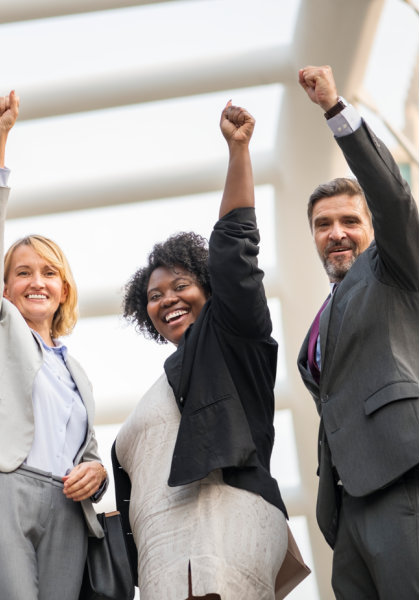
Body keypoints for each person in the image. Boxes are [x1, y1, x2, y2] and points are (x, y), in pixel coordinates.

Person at [113, 102, 297, 600]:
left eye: (181, 285)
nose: (167, 299)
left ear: (211, 290)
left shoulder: (230, 339)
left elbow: (235, 247)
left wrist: (238, 150)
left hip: (216, 528)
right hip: (167, 550)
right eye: (154, 296)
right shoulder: (170, 376)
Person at [0, 91, 108, 600]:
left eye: (49, 272)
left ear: (64, 288)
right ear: (4, 289)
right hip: (1, 488)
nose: (37, 281)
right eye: (23, 272)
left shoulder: (77, 373)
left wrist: (94, 472)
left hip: (66, 508)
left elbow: (88, 451)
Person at [295, 65, 419, 599]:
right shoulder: (323, 319)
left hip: (403, 476)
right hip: (349, 506)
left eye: (349, 221)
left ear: (371, 229)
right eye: (323, 225)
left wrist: (336, 110)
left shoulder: (395, 270)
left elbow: (394, 200)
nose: (336, 233)